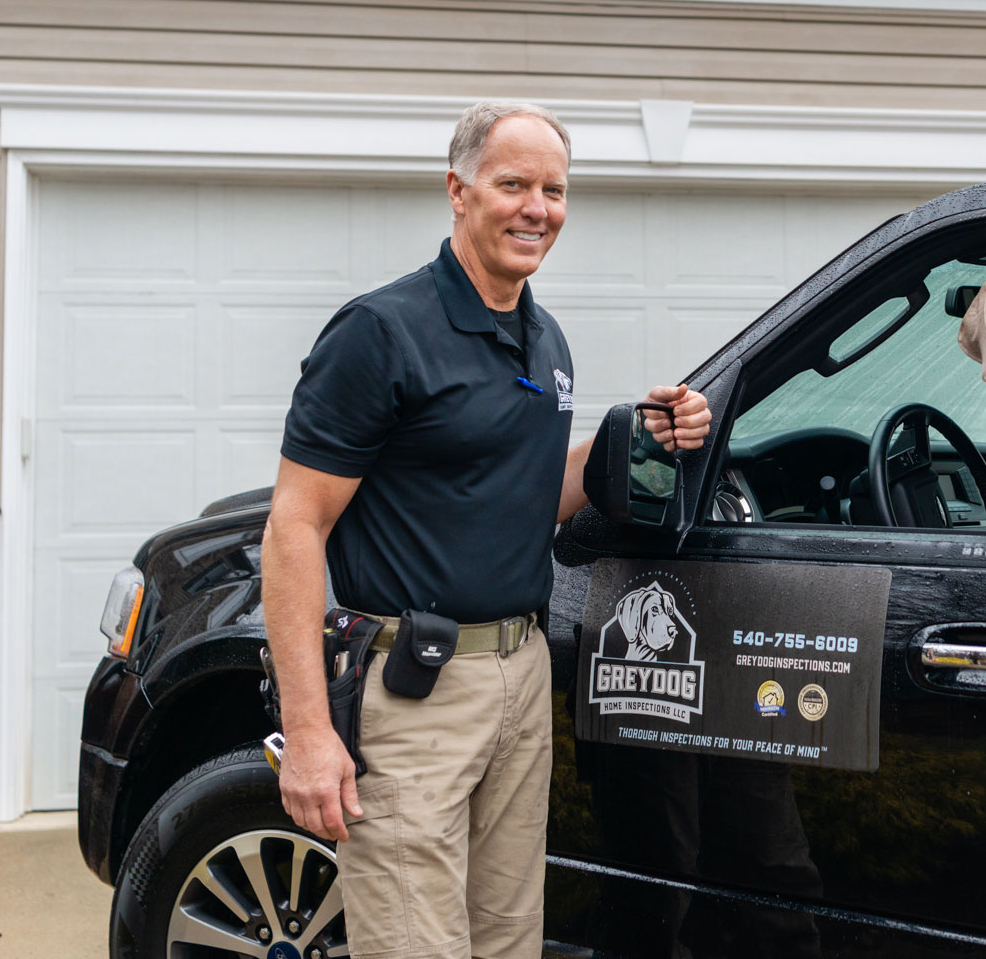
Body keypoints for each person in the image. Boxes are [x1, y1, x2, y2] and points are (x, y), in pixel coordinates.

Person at [261, 100, 712, 959]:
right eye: (513, 184)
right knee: (412, 943)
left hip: (520, 676)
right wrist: (310, 733)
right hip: (412, 692)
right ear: (458, 192)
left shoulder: (545, 339)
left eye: (553, 189)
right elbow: (293, 529)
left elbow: (530, 496)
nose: (537, 208)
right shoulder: (381, 333)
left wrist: (642, 432)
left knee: (509, 939)